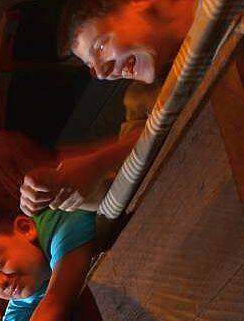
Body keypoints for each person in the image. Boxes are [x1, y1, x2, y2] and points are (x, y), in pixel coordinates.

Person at [18, 0, 199, 215]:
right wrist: (61, 189)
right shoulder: (140, 98)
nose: (103, 74)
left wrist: (98, 163)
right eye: (92, 68)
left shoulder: (210, 9)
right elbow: (127, 181)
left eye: (100, 47)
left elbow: (159, 133)